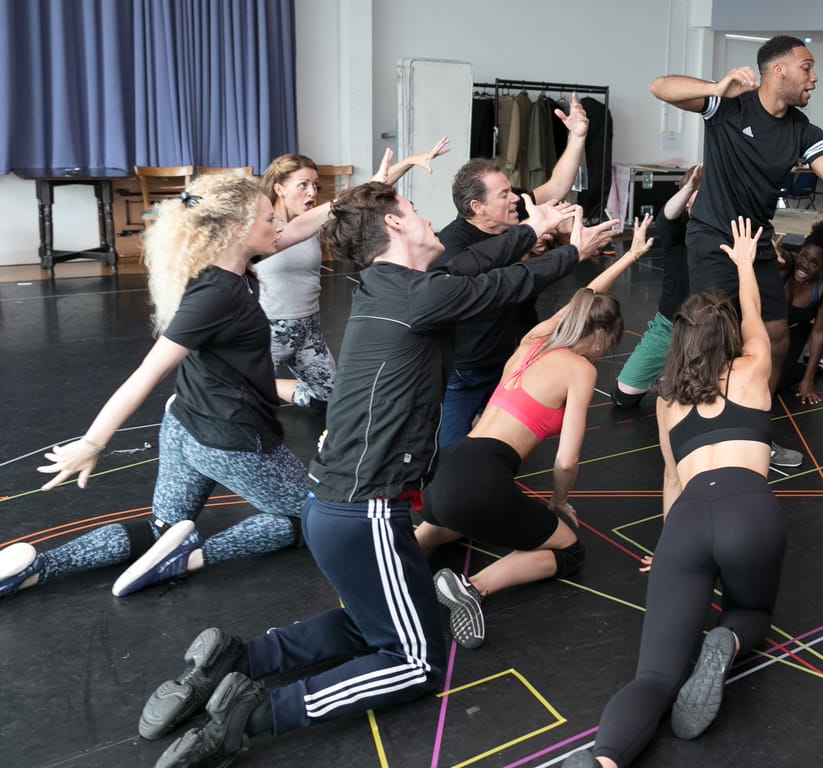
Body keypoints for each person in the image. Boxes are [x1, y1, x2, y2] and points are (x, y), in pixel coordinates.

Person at [136, 184, 612, 768]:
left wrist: (531, 231)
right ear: (394, 226)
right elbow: (500, 284)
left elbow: (471, 263)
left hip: (331, 505)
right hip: (369, 511)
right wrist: (574, 252)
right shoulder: (420, 297)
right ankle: (256, 715)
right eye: (416, 211)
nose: (427, 219)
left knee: (373, 626)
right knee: (416, 662)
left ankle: (237, 660)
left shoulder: (386, 287)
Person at [3, 173, 306, 609]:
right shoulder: (217, 293)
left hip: (184, 428)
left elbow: (301, 227)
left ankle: (38, 568)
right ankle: (192, 558)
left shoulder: (230, 270)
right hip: (232, 440)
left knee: (163, 526)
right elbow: (146, 372)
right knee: (317, 519)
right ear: (238, 228)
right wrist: (93, 442)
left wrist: (372, 187)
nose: (279, 226)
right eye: (269, 218)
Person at [564, 218, 785, 768]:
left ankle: (603, 760)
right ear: (729, 336)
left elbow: (672, 479)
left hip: (687, 520)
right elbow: (756, 314)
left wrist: (666, 547)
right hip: (748, 508)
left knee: (655, 675)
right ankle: (727, 643)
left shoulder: (667, 402)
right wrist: (742, 263)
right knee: (750, 610)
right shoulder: (753, 369)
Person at [418, 218, 655, 648]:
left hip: (448, 466)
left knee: (451, 518)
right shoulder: (580, 369)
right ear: (601, 337)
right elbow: (566, 458)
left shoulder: (534, 342)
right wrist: (559, 502)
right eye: (611, 342)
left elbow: (584, 300)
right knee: (569, 550)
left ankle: (392, 563)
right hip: (482, 481)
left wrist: (632, 256)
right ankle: (473, 587)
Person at [651, 36, 823, 466]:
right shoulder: (731, 107)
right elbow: (660, 86)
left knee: (776, 336)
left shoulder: (803, 131)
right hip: (713, 237)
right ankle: (692, 421)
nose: (814, 78)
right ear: (779, 70)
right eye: (807, 67)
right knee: (708, 335)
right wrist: (715, 88)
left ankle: (755, 425)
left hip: (756, 242)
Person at [435, 97, 593, 445]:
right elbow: (495, 287)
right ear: (477, 207)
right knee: (449, 448)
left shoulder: (516, 210)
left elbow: (554, 186)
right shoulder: (454, 247)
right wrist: (537, 252)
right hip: (468, 366)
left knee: (507, 440)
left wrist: (577, 137)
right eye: (504, 194)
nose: (515, 199)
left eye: (512, 190)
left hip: (514, 353)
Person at [257, 138, 450, 406]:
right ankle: (260, 383)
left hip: (309, 331)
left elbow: (357, 202)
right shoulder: (267, 231)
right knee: (241, 394)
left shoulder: (311, 223)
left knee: (331, 398)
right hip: (273, 331)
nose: (312, 192)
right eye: (303, 185)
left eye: (315, 185)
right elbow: (340, 203)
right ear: (279, 188)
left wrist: (405, 164)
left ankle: (270, 384)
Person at [613, 164, 701, 408]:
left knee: (698, 399)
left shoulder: (718, 232)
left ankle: (678, 370)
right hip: (668, 326)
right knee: (624, 396)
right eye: (692, 198)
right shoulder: (677, 230)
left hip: (706, 331)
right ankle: (671, 368)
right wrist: (691, 187)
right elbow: (666, 217)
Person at [778, 218, 823, 406]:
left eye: (813, 263)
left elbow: (819, 332)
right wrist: (772, 251)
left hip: (795, 331)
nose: (804, 265)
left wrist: (808, 379)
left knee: (778, 384)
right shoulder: (787, 263)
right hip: (768, 325)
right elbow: (778, 257)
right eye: (803, 256)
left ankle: (810, 367)